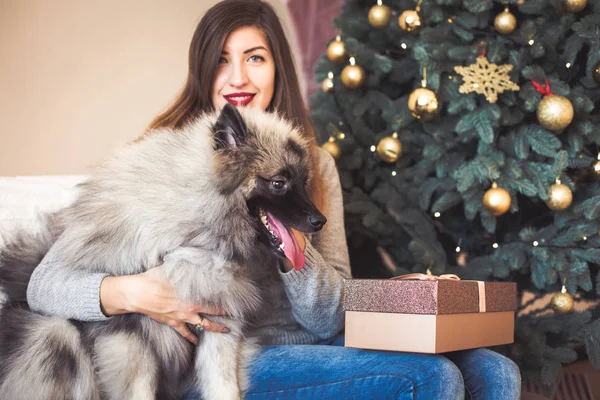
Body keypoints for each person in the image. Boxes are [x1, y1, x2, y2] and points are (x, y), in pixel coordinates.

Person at [26, 0, 521, 398]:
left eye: (254, 58)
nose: (237, 78)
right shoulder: (160, 155)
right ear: (203, 69)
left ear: (276, 65)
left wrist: (296, 244)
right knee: (431, 380)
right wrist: (134, 293)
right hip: (223, 356)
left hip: (313, 339)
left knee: (492, 370)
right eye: (222, 60)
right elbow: (45, 284)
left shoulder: (313, 162)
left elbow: (330, 312)